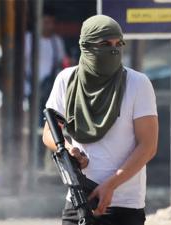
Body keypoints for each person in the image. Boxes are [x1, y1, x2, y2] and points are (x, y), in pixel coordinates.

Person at [42, 15, 158, 225]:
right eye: (104, 44)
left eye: (118, 44)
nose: (113, 50)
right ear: (86, 46)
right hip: (78, 202)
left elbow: (148, 146)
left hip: (123, 206)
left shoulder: (137, 84)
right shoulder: (66, 80)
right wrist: (67, 150)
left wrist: (111, 185)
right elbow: (49, 131)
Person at [25, 8, 67, 168]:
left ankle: (53, 161)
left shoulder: (57, 41)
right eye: (46, 21)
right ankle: (35, 162)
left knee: (54, 126)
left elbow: (61, 63)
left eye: (51, 22)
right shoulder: (29, 39)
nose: (49, 25)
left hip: (51, 90)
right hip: (32, 89)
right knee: (35, 126)